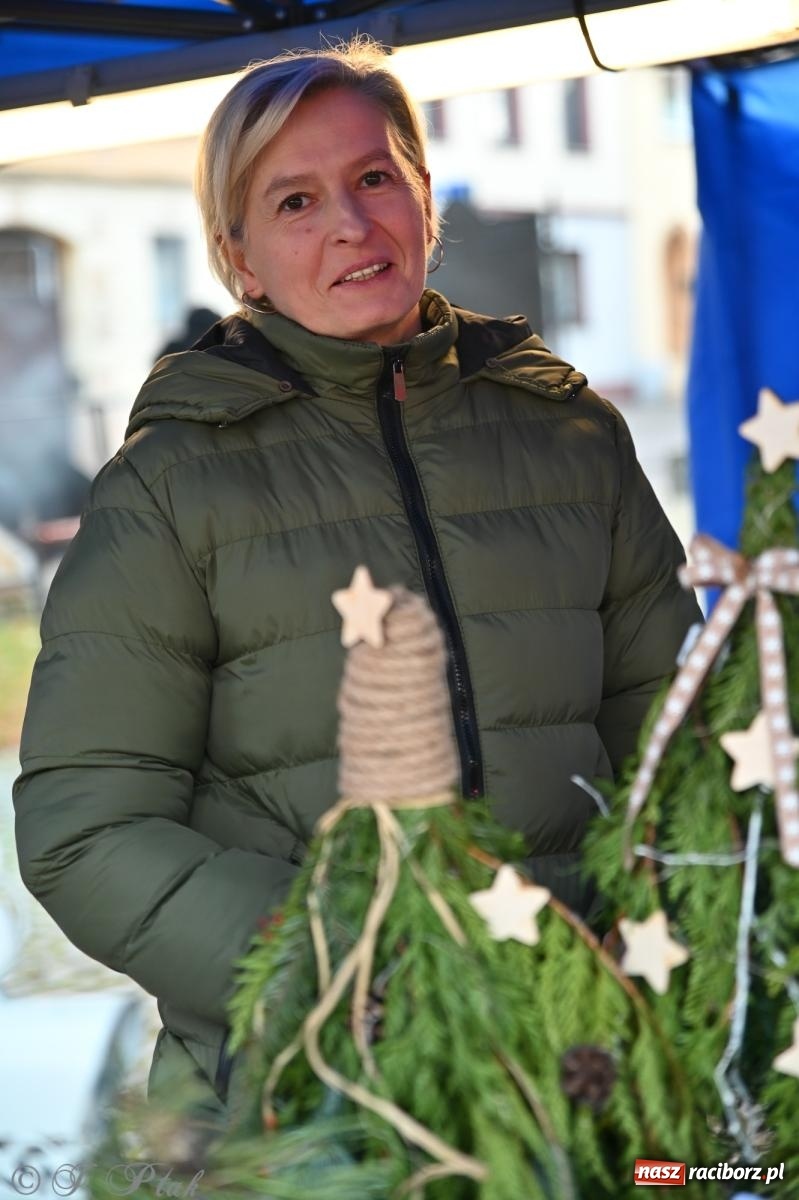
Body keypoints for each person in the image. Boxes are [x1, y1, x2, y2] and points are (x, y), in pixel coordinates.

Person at [13, 40, 701, 1121]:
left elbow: (677, 741)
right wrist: (328, 973)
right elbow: (86, 825)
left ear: (423, 199)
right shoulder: (170, 486)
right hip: (310, 1099)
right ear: (238, 258)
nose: (348, 222)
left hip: (585, 1063)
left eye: (373, 177)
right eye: (295, 200)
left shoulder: (571, 436)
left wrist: (652, 941)